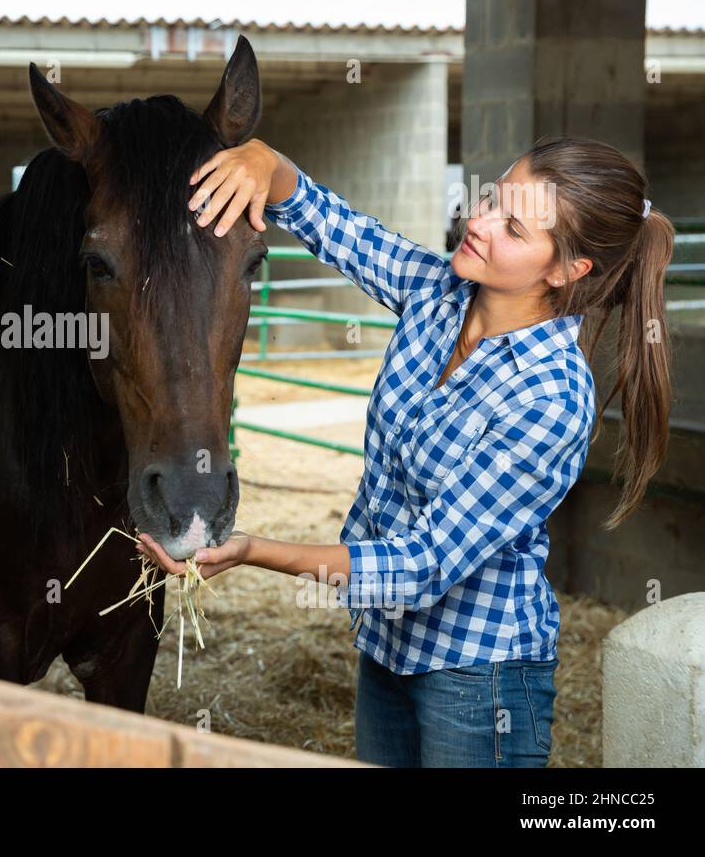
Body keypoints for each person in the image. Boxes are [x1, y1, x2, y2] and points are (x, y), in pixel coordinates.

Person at [136, 136, 674, 767]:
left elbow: (422, 566)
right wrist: (268, 163)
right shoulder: (439, 294)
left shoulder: (550, 397)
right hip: (388, 650)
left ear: (565, 271)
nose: (476, 222)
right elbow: (335, 225)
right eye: (492, 199)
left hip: (480, 682)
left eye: (512, 226)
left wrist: (253, 550)